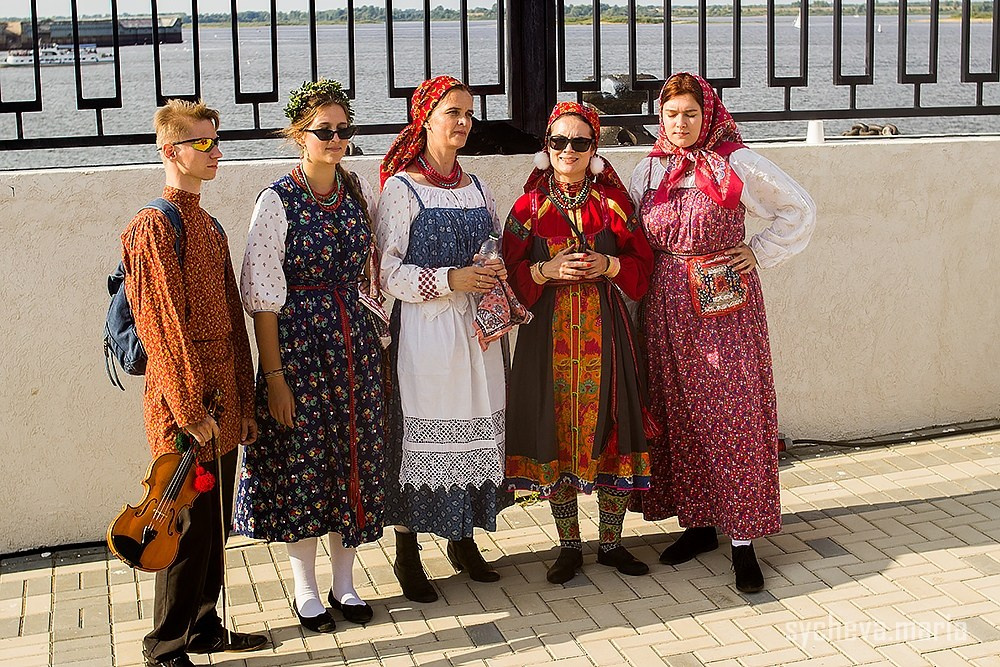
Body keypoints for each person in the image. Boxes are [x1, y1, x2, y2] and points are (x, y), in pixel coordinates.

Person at [628, 72, 816, 593]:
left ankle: (743, 541)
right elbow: (630, 232)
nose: (680, 123)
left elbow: (797, 208)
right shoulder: (648, 168)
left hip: (722, 305)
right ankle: (700, 524)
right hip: (665, 304)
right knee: (679, 411)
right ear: (659, 118)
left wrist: (756, 252)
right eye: (670, 115)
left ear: (706, 113)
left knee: (731, 413)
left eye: (690, 113)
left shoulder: (737, 162)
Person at [232, 80, 386, 631]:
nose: (337, 139)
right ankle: (305, 589)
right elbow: (263, 299)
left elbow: (374, 270)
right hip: (299, 348)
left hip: (356, 350)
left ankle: (345, 583)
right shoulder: (276, 200)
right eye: (325, 131)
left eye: (344, 130)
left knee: (354, 462)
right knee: (305, 464)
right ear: (299, 134)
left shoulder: (358, 191)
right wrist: (274, 378)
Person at [121, 99, 267, 667]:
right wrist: (186, 408)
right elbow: (163, 328)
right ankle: (165, 645)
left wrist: (245, 400)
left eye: (215, 141)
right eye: (202, 143)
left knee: (215, 524)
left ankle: (206, 626)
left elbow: (233, 317)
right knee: (181, 528)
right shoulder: (153, 227)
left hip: (221, 403)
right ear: (170, 151)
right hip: (183, 407)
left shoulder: (209, 225)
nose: (215, 153)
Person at [503, 102, 656, 584]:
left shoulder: (614, 204)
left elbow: (643, 266)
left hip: (605, 336)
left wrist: (609, 267)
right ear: (546, 148)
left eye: (580, 143)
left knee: (612, 428)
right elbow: (505, 274)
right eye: (558, 142)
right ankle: (569, 545)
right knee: (556, 429)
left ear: (595, 148)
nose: (568, 150)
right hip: (545, 338)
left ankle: (610, 543)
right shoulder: (527, 208)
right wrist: (543, 271)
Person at [376, 75, 508, 602]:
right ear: (424, 117)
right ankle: (407, 551)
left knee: (477, 428)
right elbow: (385, 271)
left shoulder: (477, 186)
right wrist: (449, 279)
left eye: (467, 114)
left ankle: (463, 537)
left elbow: (493, 239)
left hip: (476, 332)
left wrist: (490, 264)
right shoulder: (400, 189)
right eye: (451, 112)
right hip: (427, 333)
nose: (461, 122)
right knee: (423, 439)